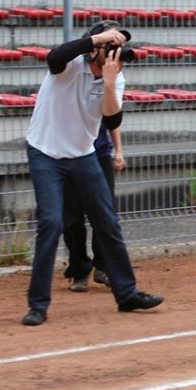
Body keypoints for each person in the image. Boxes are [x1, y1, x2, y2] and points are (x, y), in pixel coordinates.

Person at [21, 20, 163, 325]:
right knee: (51, 222)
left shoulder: (116, 77)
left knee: (107, 221)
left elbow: (111, 122)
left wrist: (110, 83)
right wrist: (97, 39)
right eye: (110, 48)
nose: (116, 54)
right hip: (45, 152)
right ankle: (38, 305)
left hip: (82, 154)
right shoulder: (70, 65)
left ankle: (127, 294)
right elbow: (54, 56)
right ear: (95, 46)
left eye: (119, 49)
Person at [62, 121, 126, 291]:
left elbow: (113, 119)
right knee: (72, 217)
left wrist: (119, 151)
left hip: (100, 155)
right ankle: (79, 270)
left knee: (105, 215)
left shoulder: (103, 94)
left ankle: (103, 268)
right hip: (69, 157)